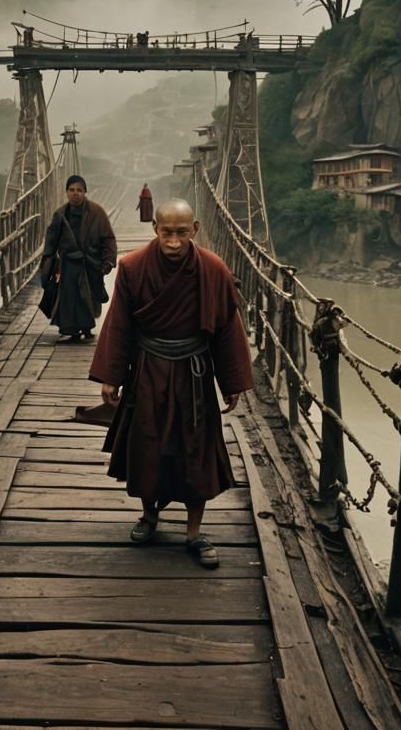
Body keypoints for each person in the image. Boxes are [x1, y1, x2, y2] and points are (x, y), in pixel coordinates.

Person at [89, 198, 252, 568]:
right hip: (147, 370)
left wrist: (232, 381)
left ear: (194, 230)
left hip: (194, 373)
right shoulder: (132, 268)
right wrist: (111, 377)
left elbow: (228, 328)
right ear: (155, 230)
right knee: (147, 445)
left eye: (182, 232)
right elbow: (119, 324)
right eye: (167, 232)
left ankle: (194, 532)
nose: (174, 241)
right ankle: (150, 517)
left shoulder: (214, 269)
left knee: (197, 449)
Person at [39, 175, 117, 342]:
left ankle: (87, 328)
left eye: (79, 190)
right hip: (68, 264)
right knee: (69, 298)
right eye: (72, 190)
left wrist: (108, 260)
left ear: (85, 192)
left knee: (88, 296)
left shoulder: (97, 212)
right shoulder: (60, 214)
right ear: (67, 192)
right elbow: (51, 242)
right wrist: (47, 264)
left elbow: (108, 238)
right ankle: (72, 330)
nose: (76, 194)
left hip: (90, 262)